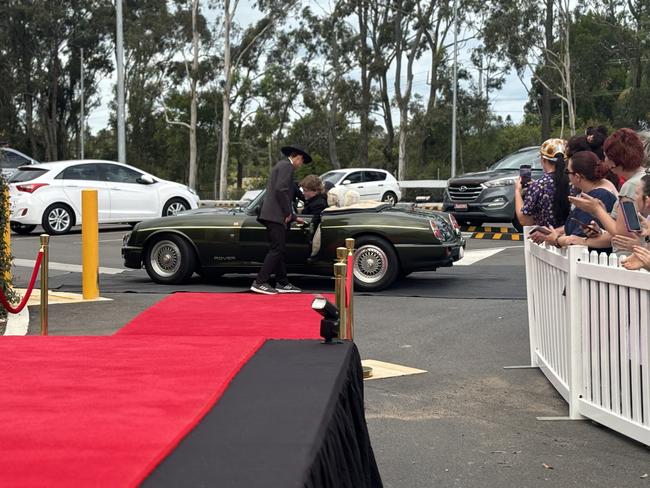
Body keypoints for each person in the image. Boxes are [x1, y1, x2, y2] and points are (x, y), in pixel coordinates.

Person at [568, 128, 647, 253]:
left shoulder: (631, 186)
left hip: (628, 259)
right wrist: (601, 227)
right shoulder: (643, 178)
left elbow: (622, 233)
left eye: (606, 156)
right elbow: (633, 226)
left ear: (615, 161)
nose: (604, 161)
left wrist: (597, 210)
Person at [250, 144, 312, 295]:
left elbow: (282, 190)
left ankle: (282, 282)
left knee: (278, 249)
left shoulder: (281, 165)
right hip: (276, 216)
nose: (301, 165)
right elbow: (281, 190)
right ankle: (260, 282)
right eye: (302, 161)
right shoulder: (287, 167)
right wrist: (287, 213)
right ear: (298, 157)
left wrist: (293, 216)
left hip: (272, 215)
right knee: (277, 249)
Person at [530, 151, 618, 252]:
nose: (566, 176)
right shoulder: (592, 193)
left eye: (567, 172)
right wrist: (553, 233)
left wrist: (556, 239)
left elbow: (577, 235)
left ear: (577, 177)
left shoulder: (600, 195)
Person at [514, 138, 571, 228]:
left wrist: (517, 191)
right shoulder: (574, 183)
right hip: (570, 236)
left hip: (545, 237)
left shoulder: (539, 186)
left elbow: (524, 220)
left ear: (543, 159)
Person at [300, 174, 329, 258]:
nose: (303, 193)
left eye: (306, 191)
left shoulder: (318, 204)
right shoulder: (315, 201)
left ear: (316, 191)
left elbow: (313, 224)